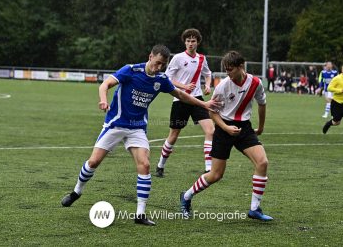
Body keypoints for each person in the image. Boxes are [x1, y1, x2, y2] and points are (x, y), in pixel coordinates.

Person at [60, 45, 220, 226]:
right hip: (116, 124)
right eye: (157, 62)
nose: (159, 67)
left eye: (163, 65)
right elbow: (105, 84)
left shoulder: (161, 79)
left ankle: (140, 214)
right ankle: (77, 192)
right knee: (94, 162)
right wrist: (103, 100)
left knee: (144, 165)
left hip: (137, 128)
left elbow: (181, 95)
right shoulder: (130, 70)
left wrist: (204, 104)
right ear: (150, 56)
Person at [180, 50, 273, 222]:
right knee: (215, 175)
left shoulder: (255, 83)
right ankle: (186, 196)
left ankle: (254, 209)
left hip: (244, 128)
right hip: (224, 129)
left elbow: (262, 104)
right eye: (226, 70)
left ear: (240, 67)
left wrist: (260, 127)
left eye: (230, 69)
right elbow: (211, 111)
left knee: (263, 162)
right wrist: (225, 127)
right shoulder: (223, 85)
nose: (227, 73)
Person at [155, 28, 214, 177]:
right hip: (180, 98)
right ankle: (160, 165)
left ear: (197, 42)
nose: (190, 43)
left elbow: (208, 74)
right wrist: (183, 86)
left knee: (210, 131)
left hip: (197, 99)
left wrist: (207, 85)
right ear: (184, 42)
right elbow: (167, 77)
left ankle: (208, 168)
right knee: (174, 135)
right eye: (188, 41)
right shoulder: (178, 58)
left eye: (193, 41)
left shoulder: (202, 59)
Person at [322, 65, 343, 134]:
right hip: (337, 103)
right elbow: (329, 88)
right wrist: (339, 90)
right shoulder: (337, 78)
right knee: (336, 122)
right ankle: (328, 124)